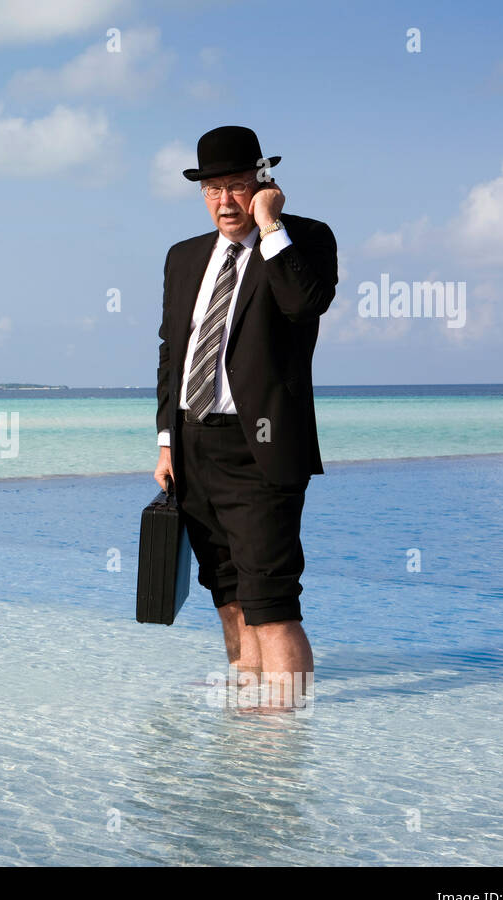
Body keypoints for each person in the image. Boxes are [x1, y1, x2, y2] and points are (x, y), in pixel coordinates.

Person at [153, 126, 337, 713]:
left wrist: (271, 228)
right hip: (192, 444)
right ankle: (246, 697)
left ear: (262, 184)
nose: (224, 201)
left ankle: (286, 733)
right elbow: (171, 350)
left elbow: (303, 304)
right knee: (227, 589)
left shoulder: (305, 240)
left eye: (236, 186)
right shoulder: (183, 258)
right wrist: (165, 441)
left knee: (271, 597)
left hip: (261, 446)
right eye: (212, 189)